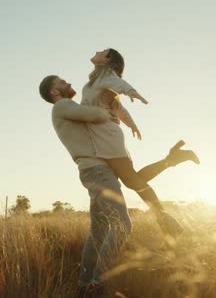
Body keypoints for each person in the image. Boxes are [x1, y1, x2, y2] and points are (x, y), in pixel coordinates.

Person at [39, 75, 199, 296]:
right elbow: (93, 113)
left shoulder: (68, 108)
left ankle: (85, 286)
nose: (67, 83)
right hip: (97, 172)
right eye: (61, 82)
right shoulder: (62, 106)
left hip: (96, 171)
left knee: (98, 231)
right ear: (54, 92)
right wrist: (109, 114)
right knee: (123, 225)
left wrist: (116, 115)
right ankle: (97, 283)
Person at [81, 48, 200, 230]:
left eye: (102, 51)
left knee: (132, 181)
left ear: (106, 60)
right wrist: (132, 125)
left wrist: (132, 92)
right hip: (104, 136)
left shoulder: (107, 75)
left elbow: (120, 84)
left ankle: (164, 219)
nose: (97, 51)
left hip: (108, 138)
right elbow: (119, 108)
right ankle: (173, 160)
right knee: (132, 179)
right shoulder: (99, 79)